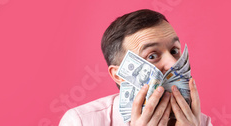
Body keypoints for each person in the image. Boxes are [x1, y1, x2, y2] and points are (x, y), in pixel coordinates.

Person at [59, 9, 212, 126]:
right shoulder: (81, 121)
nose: (173, 63)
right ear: (119, 74)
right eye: (152, 56)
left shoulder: (201, 122)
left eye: (174, 51)